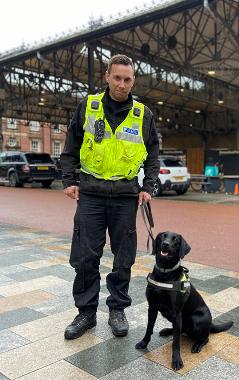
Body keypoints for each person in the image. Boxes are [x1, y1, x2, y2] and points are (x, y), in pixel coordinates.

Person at [60, 54, 160, 339]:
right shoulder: (87, 107)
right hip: (90, 195)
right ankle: (86, 314)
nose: (122, 84)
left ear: (133, 81)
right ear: (107, 76)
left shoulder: (143, 115)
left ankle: (118, 309)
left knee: (123, 258)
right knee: (85, 257)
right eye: (117, 78)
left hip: (126, 197)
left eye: (127, 79)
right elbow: (70, 146)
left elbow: (153, 154)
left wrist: (148, 186)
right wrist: (69, 180)